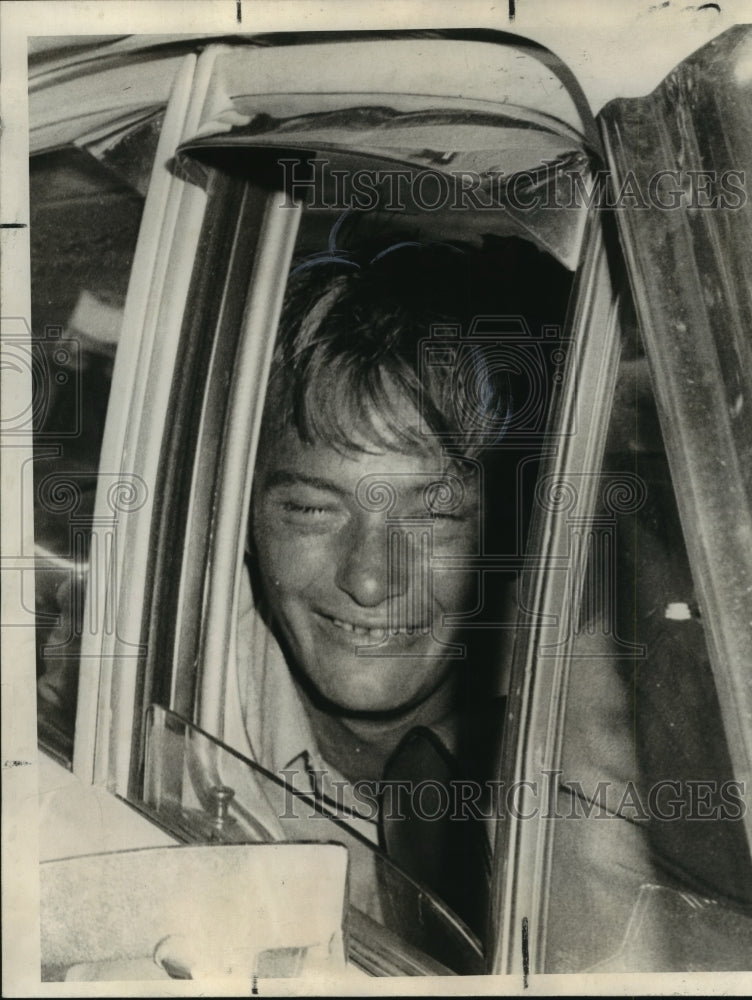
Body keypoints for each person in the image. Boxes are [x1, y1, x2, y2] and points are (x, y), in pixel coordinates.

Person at [233, 241, 541, 929]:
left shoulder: (582, 724)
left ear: (510, 540)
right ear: (240, 520)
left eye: (434, 516)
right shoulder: (161, 678)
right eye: (313, 509)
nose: (369, 579)